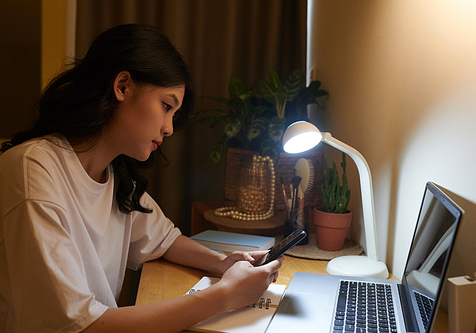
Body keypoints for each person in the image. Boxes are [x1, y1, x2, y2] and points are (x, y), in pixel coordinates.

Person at [0, 24, 283, 333]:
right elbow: (77, 325)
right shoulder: (33, 169)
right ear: (122, 86)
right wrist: (225, 295)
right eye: (166, 106)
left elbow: (164, 239)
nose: (169, 128)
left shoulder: (117, 177)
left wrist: (223, 263)